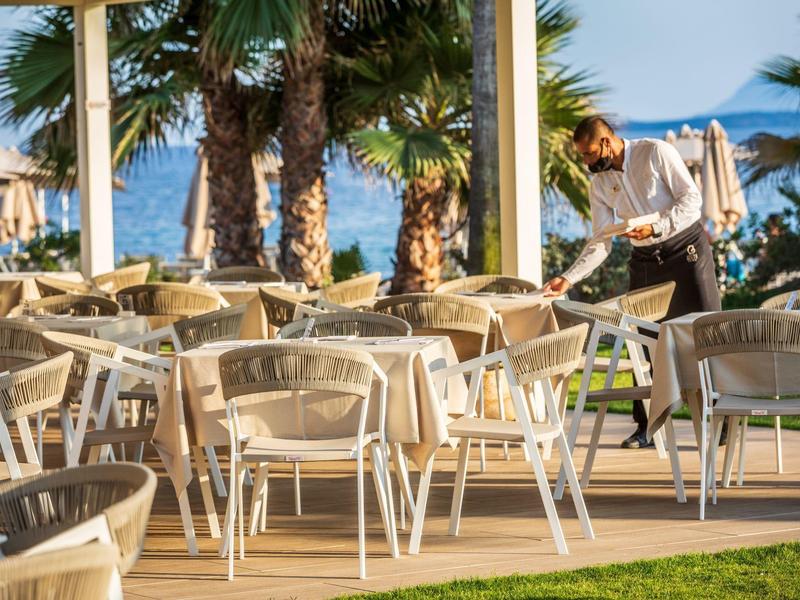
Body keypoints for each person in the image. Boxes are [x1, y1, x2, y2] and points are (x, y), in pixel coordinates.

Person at [543, 116, 721, 449]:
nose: (586, 162)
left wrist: (656, 228)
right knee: (644, 342)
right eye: (581, 156)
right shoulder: (599, 184)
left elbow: (692, 201)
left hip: (687, 251)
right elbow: (601, 242)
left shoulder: (656, 153)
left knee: (706, 333)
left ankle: (719, 417)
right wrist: (568, 278)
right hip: (644, 261)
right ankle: (647, 426)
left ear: (607, 143)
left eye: (589, 153)